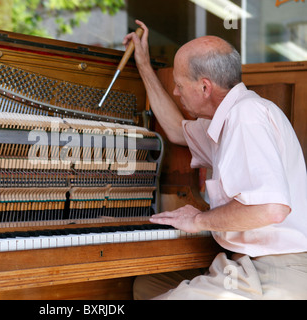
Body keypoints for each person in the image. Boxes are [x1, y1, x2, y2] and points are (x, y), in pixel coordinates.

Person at [123, 20, 307, 300]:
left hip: (273, 269)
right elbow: (175, 129)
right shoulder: (229, 119)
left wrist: (198, 219)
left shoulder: (246, 117)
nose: (176, 91)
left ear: (205, 88)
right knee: (146, 286)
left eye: (180, 85)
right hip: (244, 263)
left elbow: (271, 209)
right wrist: (144, 66)